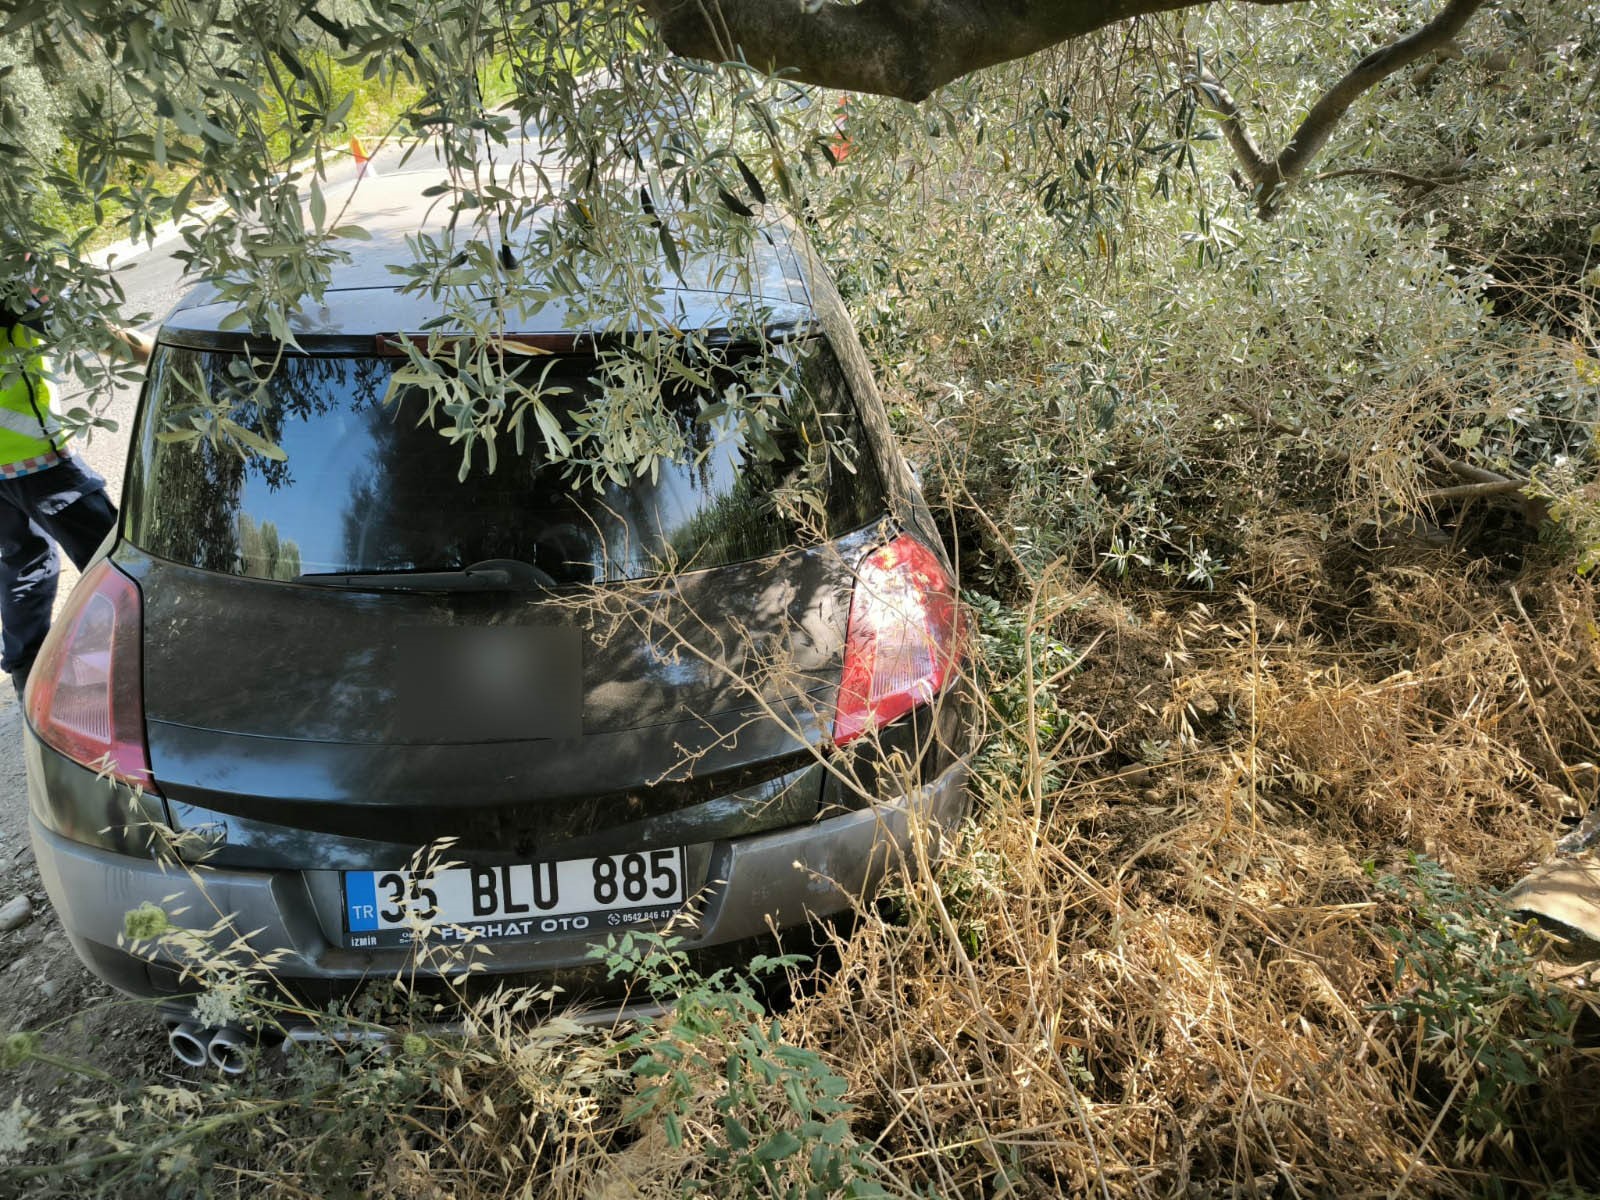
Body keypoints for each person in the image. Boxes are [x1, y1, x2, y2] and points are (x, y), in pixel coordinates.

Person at [0, 278, 151, 701]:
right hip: (37, 460)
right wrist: (165, 356)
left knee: (22, 565)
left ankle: (28, 678)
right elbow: (86, 328)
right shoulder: (11, 265)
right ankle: (147, 663)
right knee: (118, 560)